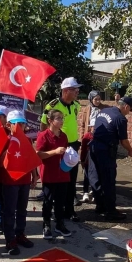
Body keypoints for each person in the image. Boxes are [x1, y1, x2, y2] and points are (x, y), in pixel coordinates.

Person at [41, 78, 82, 221]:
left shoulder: (77, 105)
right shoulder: (53, 105)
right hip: (58, 147)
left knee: (71, 180)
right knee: (56, 180)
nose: (77, 92)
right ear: (65, 91)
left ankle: (69, 210)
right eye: (74, 89)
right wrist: (47, 142)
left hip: (73, 146)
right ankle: (54, 209)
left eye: (77, 89)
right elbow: (43, 124)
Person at [89, 96, 132, 221]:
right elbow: (124, 141)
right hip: (105, 151)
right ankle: (110, 211)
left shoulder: (104, 111)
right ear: (126, 106)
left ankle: (100, 206)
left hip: (93, 147)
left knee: (95, 178)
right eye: (129, 110)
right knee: (108, 181)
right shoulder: (120, 119)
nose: (128, 113)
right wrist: (131, 151)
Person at [0, 111, 37, 254]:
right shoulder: (4, 139)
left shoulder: (27, 140)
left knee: (22, 209)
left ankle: (20, 233)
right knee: (9, 211)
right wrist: (8, 152)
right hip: (10, 181)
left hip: (24, 180)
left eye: (22, 123)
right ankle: (10, 239)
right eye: (17, 123)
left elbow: (31, 158)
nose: (20, 126)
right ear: (9, 125)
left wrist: (34, 175)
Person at [37, 110, 73, 238]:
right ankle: (46, 224)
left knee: (60, 201)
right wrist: (54, 151)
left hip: (62, 173)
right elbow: (39, 154)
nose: (62, 121)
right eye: (58, 118)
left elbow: (66, 151)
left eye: (62, 118)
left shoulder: (63, 136)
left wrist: (71, 157)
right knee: (48, 201)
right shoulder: (43, 135)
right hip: (49, 173)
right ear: (50, 121)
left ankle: (59, 223)